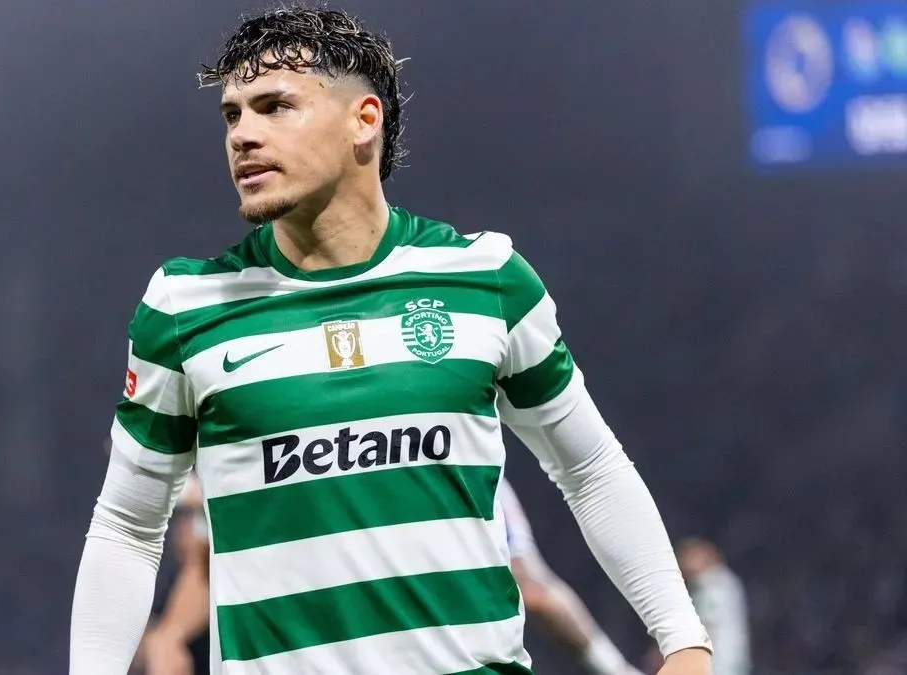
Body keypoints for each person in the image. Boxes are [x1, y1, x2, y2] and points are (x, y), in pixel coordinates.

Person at [70, 7, 712, 674]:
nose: (243, 135)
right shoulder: (186, 306)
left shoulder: (484, 278)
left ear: (364, 119)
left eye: (275, 107)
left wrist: (684, 640)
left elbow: (590, 469)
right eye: (233, 115)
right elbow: (128, 528)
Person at [140, 473, 646, 675]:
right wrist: (170, 636)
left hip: (441, 480)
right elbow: (203, 569)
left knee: (531, 592)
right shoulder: (226, 475)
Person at [675, 538, 751, 675]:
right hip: (732, 657)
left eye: (688, 557)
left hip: (719, 659)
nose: (683, 563)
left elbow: (704, 626)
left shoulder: (711, 583)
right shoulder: (725, 579)